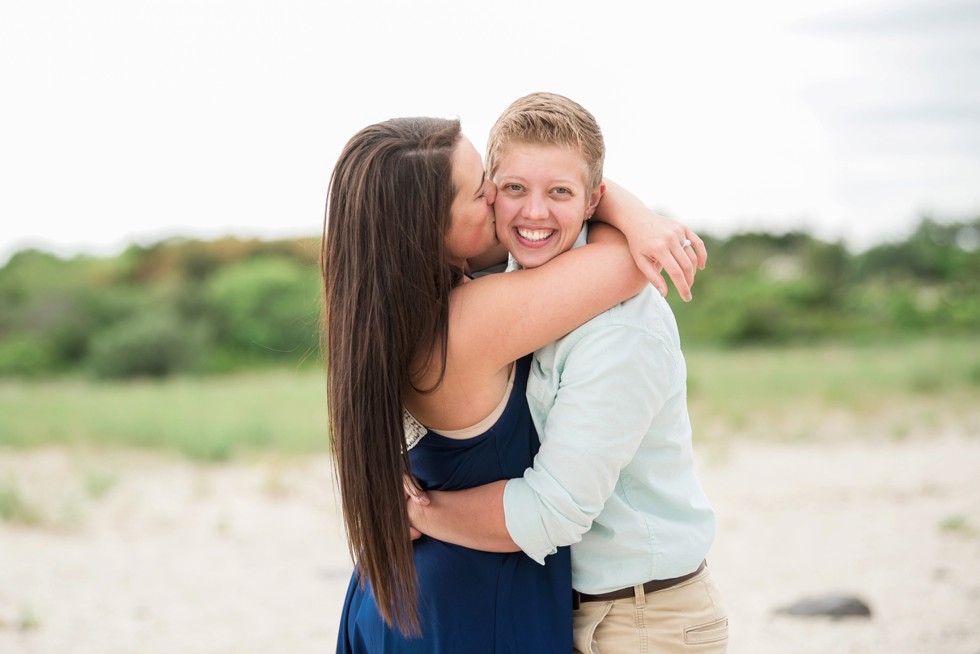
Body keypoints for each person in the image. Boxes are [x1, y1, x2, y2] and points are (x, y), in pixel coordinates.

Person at [322, 115, 705, 653]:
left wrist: (589, 193)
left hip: (395, 594)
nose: (507, 202)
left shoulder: (379, 318)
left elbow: (551, 175)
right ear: (433, 226)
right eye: (488, 191)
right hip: (466, 603)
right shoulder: (474, 320)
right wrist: (638, 218)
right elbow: (629, 261)